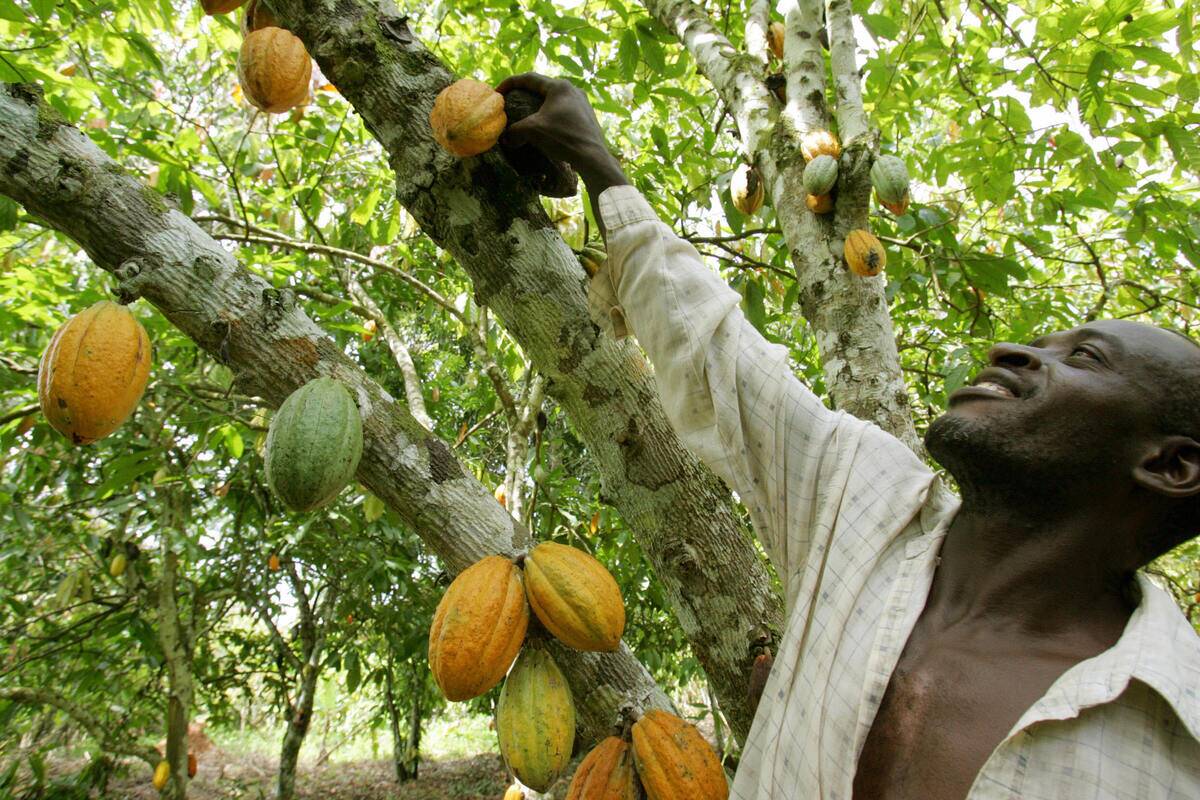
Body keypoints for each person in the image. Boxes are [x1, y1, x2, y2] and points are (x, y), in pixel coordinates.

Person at [496, 73, 1200, 799]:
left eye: (1083, 358)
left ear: (1172, 465)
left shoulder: (1176, 749)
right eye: (1041, 341)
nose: (1012, 351)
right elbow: (715, 357)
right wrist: (597, 163)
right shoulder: (865, 500)